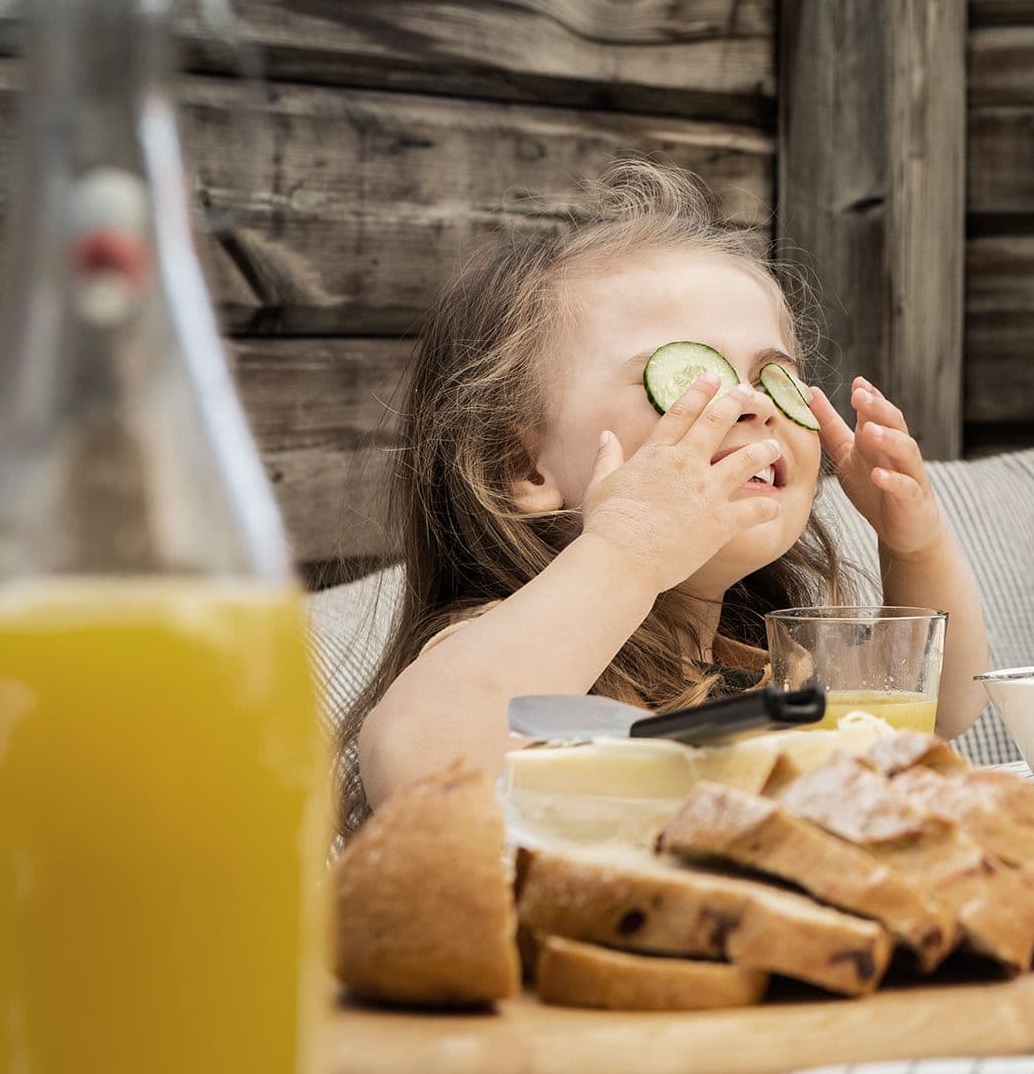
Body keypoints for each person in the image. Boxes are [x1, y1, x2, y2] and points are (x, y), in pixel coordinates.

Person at [338, 158, 988, 835]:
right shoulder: (513, 650)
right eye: (690, 378)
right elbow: (418, 762)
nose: (756, 406)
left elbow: (941, 710)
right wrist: (627, 551)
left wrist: (914, 541)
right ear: (523, 466)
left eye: (775, 378)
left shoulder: (762, 663)